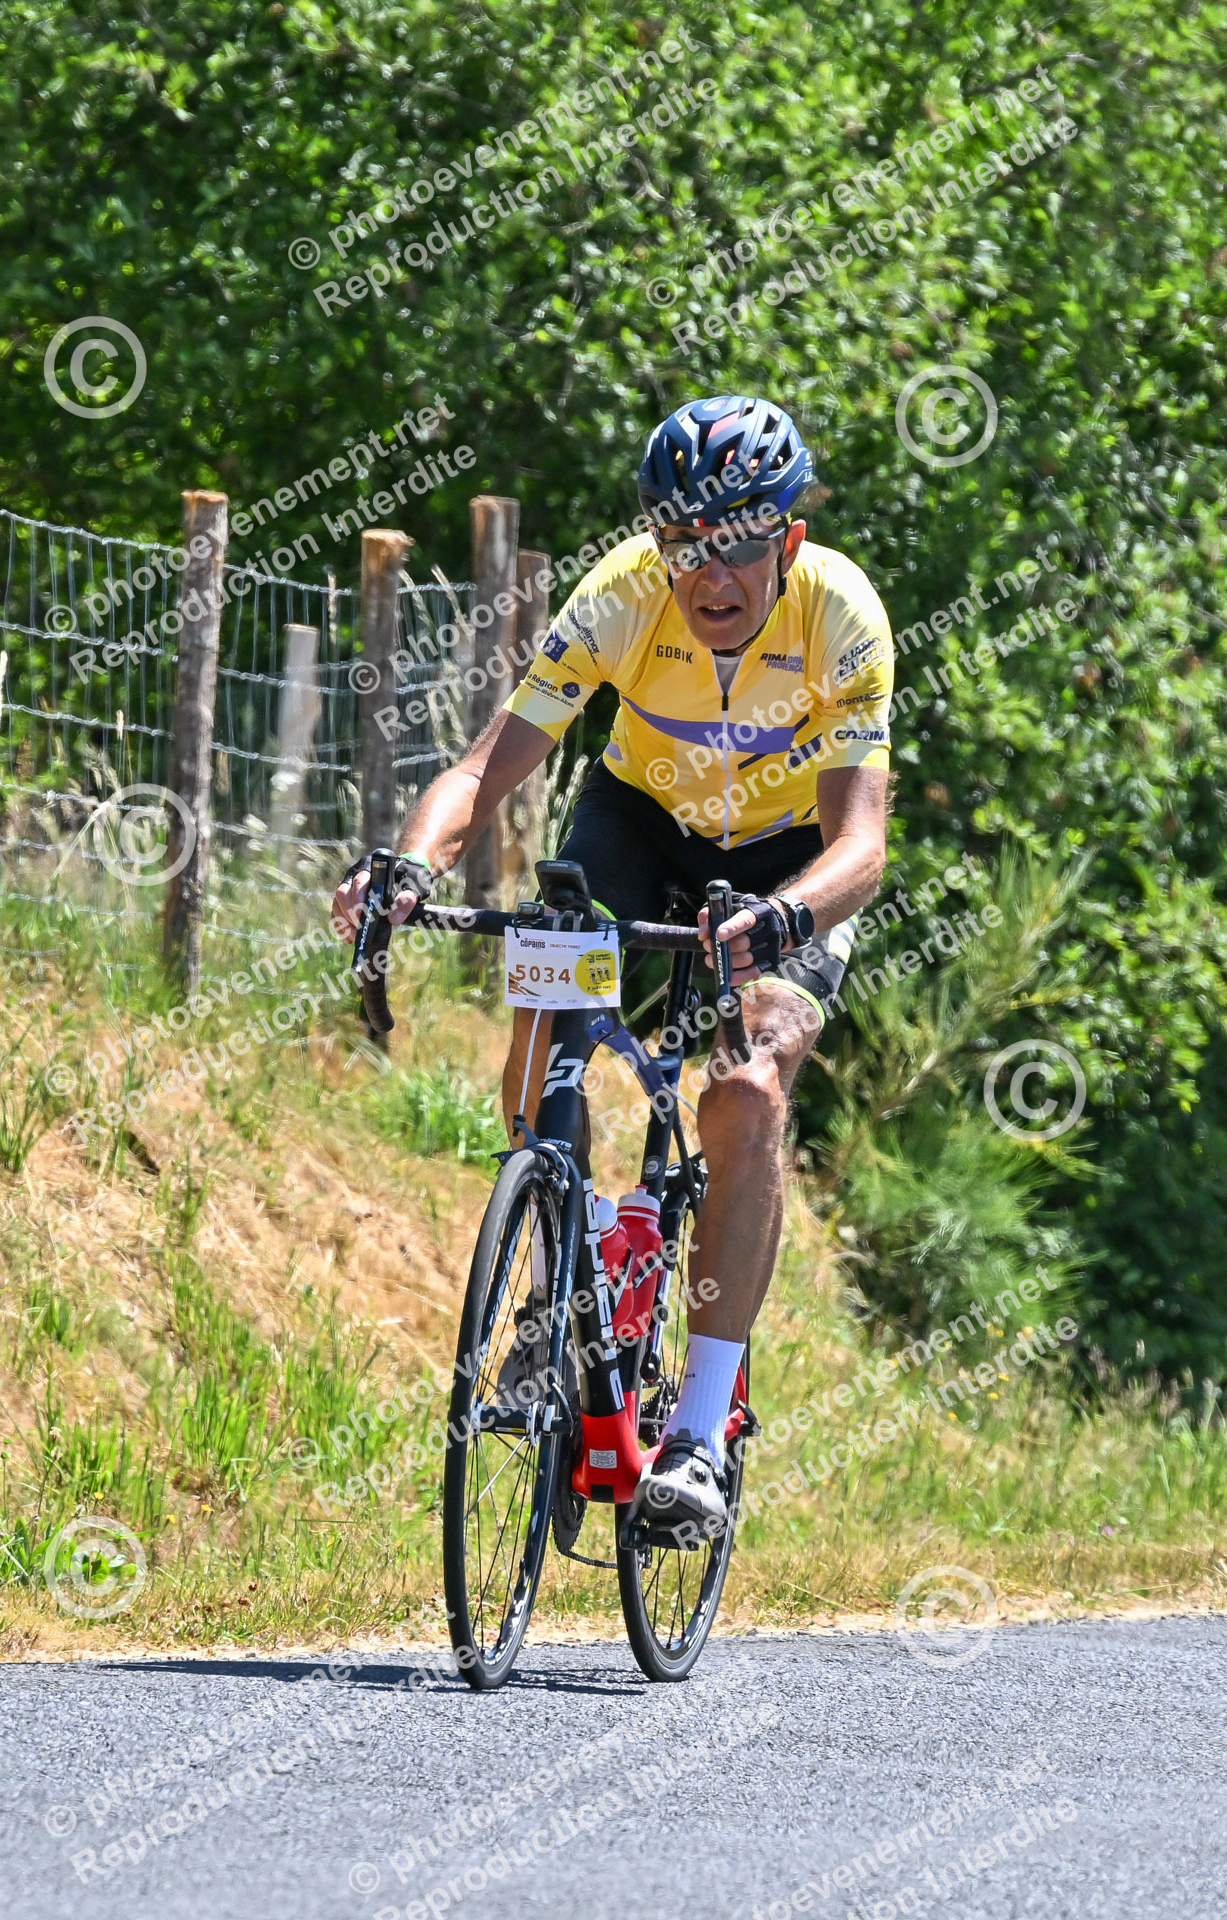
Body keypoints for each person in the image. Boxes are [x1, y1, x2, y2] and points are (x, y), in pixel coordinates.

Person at [331, 394, 894, 1539]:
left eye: (737, 541)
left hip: (790, 857)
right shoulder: (620, 594)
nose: (708, 572)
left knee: (748, 1086)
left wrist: (784, 917)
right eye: (682, 542)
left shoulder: (839, 612)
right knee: (544, 1003)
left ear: (786, 538)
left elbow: (861, 846)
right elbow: (484, 769)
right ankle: (563, 1278)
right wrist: (406, 865)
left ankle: (697, 1433)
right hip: (638, 821)